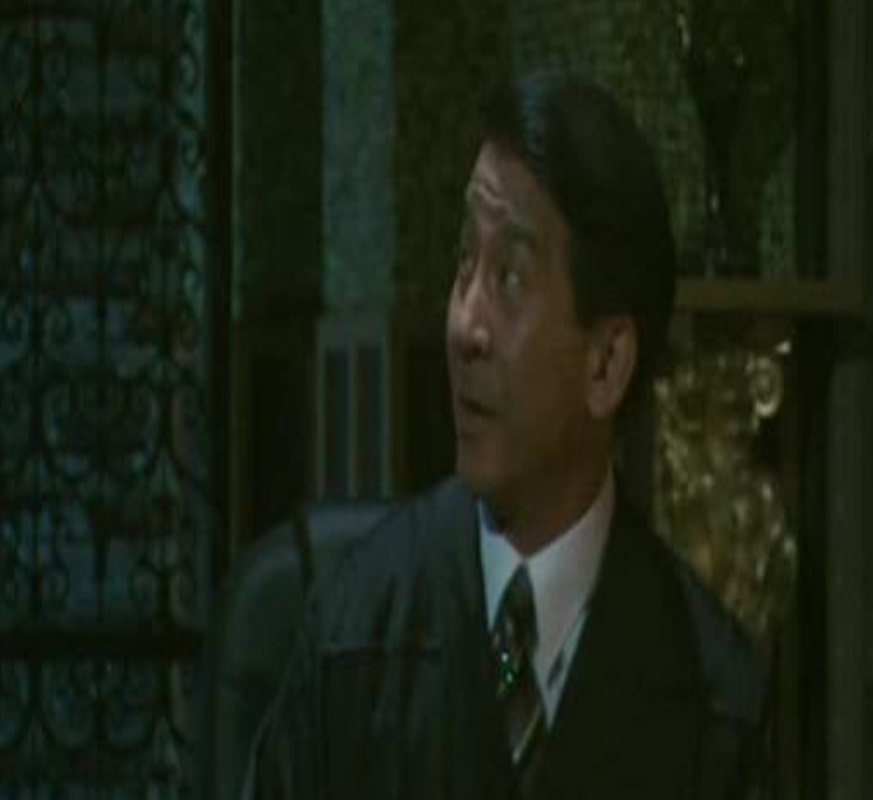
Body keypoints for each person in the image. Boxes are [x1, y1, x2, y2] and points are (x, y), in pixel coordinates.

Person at [247, 71, 769, 800]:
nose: (465, 325)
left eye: (511, 279)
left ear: (606, 362)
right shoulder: (355, 631)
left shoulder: (713, 697)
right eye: (464, 263)